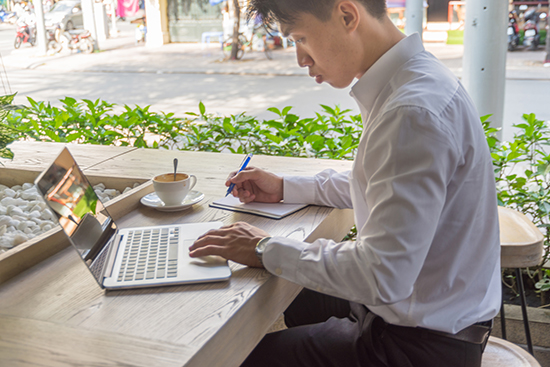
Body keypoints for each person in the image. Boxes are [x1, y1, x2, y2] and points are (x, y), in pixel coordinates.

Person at [189, 0, 501, 366]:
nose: (300, 59)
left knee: (238, 358)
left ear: (348, 15)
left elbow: (382, 275)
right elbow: (379, 183)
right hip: (422, 313)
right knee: (293, 294)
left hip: (419, 347)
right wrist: (284, 187)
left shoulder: (412, 110)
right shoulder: (415, 79)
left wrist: (263, 248)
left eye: (301, 38)